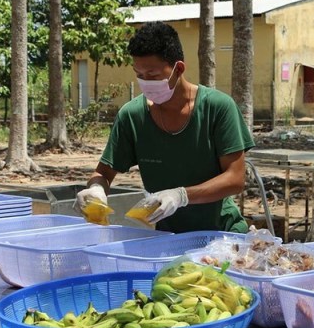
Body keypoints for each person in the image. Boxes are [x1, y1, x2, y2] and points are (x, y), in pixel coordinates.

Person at [74, 21, 254, 233]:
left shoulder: (217, 108)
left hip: (221, 234)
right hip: (167, 236)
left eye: (153, 76)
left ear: (178, 69)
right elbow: (103, 173)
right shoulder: (132, 116)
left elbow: (235, 179)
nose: (145, 82)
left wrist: (181, 195)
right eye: (139, 75)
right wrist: (96, 189)